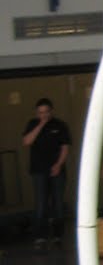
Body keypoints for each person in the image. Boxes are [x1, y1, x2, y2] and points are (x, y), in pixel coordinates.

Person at [22, 96, 72, 249]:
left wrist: (58, 164)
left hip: (57, 170)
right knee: (41, 204)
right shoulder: (32, 124)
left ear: (51, 111)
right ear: (37, 113)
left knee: (57, 203)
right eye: (40, 113)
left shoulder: (60, 125)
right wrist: (40, 125)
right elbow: (26, 142)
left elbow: (65, 147)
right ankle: (40, 237)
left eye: (46, 112)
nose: (43, 115)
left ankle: (58, 236)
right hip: (38, 170)